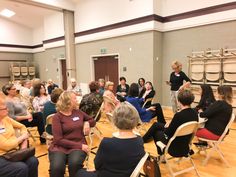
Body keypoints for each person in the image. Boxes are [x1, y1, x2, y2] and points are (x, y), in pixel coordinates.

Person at [76, 102, 145, 177]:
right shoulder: (139, 140)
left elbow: (97, 164)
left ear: (115, 120)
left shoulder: (107, 143)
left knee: (80, 172)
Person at [49, 91, 96, 177]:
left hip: (77, 146)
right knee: (57, 167)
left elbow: (92, 121)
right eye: (74, 98)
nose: (77, 100)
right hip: (60, 147)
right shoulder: (57, 117)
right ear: (68, 101)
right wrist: (81, 146)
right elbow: (58, 140)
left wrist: (87, 123)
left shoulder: (78, 112)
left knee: (74, 165)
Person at [143, 89, 198, 156]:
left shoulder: (178, 115)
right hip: (185, 143)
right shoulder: (195, 113)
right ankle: (143, 140)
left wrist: (167, 126)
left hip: (174, 147)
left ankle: (161, 155)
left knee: (156, 132)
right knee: (156, 125)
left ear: (179, 102)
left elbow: (167, 133)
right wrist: (171, 123)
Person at [0, 98, 39, 177]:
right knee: (21, 168)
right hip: (2, 156)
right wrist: (22, 138)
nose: (7, 109)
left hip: (13, 152)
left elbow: (22, 127)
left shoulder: (6, 119)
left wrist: (24, 141)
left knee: (33, 161)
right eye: (4, 108)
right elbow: (6, 146)